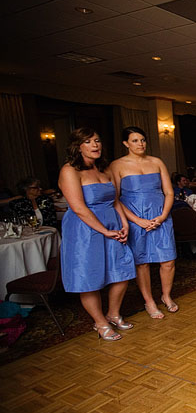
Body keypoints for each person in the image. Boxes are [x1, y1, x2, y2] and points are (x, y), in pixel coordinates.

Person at [59, 128, 136, 341]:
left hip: (112, 224)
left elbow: (115, 200)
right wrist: (105, 231)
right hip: (84, 230)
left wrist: (124, 224)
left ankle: (113, 313)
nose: (95, 145)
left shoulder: (105, 169)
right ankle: (100, 323)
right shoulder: (69, 170)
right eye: (89, 141)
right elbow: (79, 208)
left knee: (122, 271)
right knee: (89, 276)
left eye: (97, 140)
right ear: (78, 146)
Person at [111, 127, 178, 320]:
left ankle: (166, 295)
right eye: (135, 140)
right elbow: (115, 199)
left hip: (160, 215)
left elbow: (169, 192)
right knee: (143, 262)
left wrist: (163, 215)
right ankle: (149, 301)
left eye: (142, 140)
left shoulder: (156, 162)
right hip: (135, 218)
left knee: (168, 260)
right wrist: (138, 220)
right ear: (126, 143)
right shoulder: (117, 165)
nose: (140, 144)